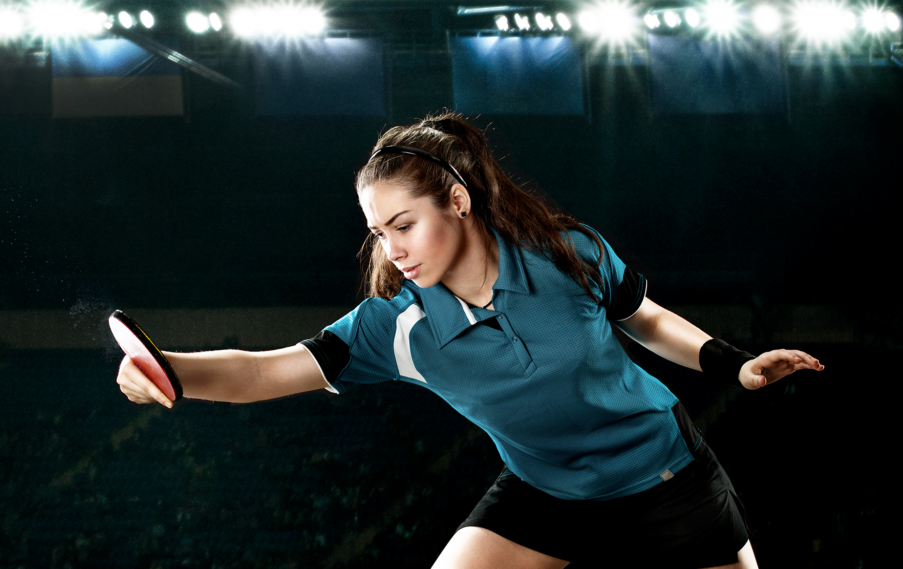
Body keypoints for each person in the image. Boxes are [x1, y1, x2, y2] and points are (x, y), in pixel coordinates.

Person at [116, 111, 824, 568]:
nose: (391, 247)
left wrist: (730, 363)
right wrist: (169, 369)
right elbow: (266, 371)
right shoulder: (394, 324)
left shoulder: (562, 251)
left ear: (456, 201)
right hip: (543, 491)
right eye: (377, 231)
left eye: (403, 223)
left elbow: (642, 315)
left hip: (666, 484)